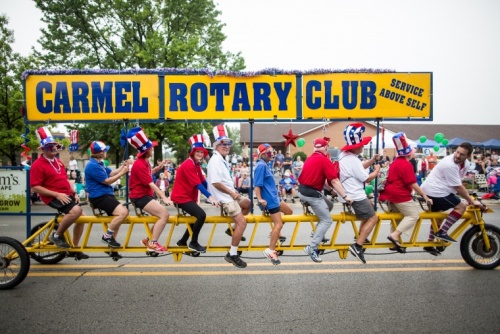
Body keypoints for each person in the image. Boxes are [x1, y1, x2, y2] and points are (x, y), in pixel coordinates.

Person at [30, 127, 88, 259]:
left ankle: (74, 248)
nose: (54, 149)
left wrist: (74, 193)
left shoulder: (58, 162)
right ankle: (56, 235)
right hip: (52, 197)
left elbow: (64, 180)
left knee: (83, 219)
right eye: (50, 147)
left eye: (56, 146)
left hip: (65, 194)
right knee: (75, 212)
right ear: (43, 149)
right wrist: (56, 195)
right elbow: (35, 187)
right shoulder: (37, 165)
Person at [299, 136, 353, 263]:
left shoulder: (310, 158)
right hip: (311, 193)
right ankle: (312, 248)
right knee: (327, 220)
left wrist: (332, 191)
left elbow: (322, 180)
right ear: (326, 148)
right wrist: (345, 196)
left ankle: (316, 233)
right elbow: (334, 180)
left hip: (303, 190)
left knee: (329, 205)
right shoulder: (324, 160)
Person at [420, 142, 482, 250]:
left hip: (438, 190)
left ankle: (429, 244)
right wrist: (471, 201)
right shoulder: (449, 164)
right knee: (461, 207)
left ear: (467, 156)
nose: (458, 155)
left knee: (438, 217)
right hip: (436, 191)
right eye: (457, 152)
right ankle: (442, 232)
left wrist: (466, 196)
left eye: (462, 154)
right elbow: (458, 187)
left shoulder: (466, 164)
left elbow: (458, 182)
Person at [379, 133, 433, 252]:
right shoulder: (406, 164)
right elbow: (412, 183)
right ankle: (395, 236)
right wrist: (424, 195)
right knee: (413, 215)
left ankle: (394, 242)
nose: (414, 153)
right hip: (400, 194)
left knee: (396, 218)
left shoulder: (395, 162)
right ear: (409, 153)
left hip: (389, 193)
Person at [207, 124, 251, 268]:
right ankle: (232, 254)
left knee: (248, 204)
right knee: (242, 223)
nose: (226, 146)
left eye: (228, 143)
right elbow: (216, 183)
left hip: (230, 196)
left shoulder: (221, 159)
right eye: (222, 144)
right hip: (225, 199)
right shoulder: (215, 161)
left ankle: (232, 230)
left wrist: (234, 194)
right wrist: (232, 193)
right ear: (216, 146)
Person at [338, 123, 381, 264]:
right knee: (373, 218)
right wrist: (376, 171)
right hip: (355, 194)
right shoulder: (353, 159)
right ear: (354, 147)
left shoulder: (343, 156)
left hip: (348, 192)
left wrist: (372, 160)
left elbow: (359, 168)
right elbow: (366, 178)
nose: (363, 147)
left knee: (368, 211)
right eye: (361, 145)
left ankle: (361, 236)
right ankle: (358, 245)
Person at [127, 127, 172, 253]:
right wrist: (163, 197)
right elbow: (151, 183)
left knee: (160, 216)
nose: (153, 148)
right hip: (140, 196)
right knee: (164, 215)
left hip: (143, 195)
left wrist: (158, 168)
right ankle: (153, 243)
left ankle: (148, 240)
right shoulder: (140, 164)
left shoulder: (144, 162)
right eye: (151, 147)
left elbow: (148, 174)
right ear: (146, 151)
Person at [172, 134, 219, 252]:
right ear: (192, 152)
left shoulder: (196, 164)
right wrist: (210, 197)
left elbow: (203, 182)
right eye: (197, 151)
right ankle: (193, 242)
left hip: (187, 197)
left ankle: (182, 241)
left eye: (202, 152)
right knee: (201, 215)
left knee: (195, 217)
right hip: (181, 198)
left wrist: (216, 193)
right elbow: (197, 185)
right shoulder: (188, 164)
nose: (200, 154)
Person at [85, 140, 129, 248]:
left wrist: (122, 167)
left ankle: (111, 243)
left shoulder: (100, 163)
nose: (106, 153)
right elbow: (107, 181)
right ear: (100, 153)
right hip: (99, 196)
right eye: (105, 151)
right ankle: (107, 237)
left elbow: (111, 172)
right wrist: (123, 173)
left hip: (105, 194)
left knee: (117, 217)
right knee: (123, 212)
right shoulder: (92, 166)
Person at [254, 143, 293, 265]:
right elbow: (257, 185)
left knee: (289, 211)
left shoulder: (266, 164)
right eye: (270, 152)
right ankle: (270, 250)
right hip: (269, 200)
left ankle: (274, 233)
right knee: (278, 224)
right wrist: (260, 199)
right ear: (263, 154)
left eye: (273, 151)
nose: (273, 154)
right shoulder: (261, 165)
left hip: (274, 198)